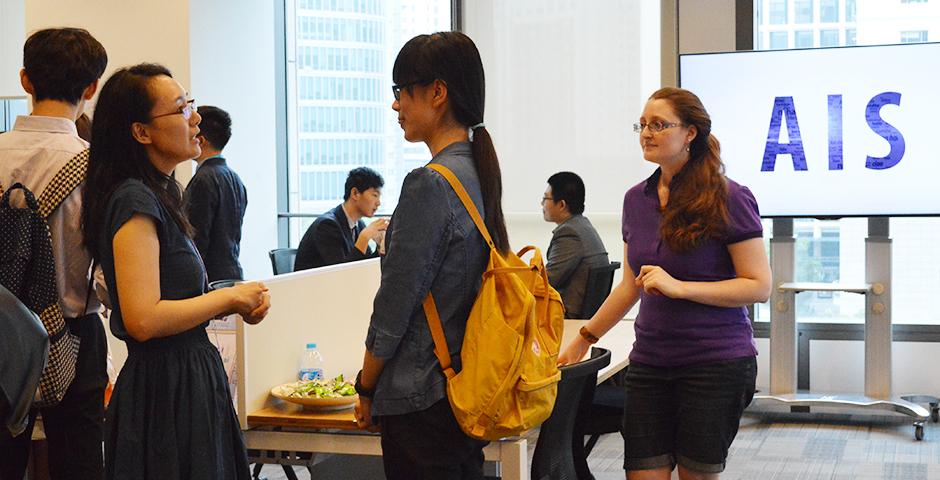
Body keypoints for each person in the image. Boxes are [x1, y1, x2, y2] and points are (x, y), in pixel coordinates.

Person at [558, 87, 772, 480]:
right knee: (642, 473)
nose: (647, 133)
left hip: (715, 363)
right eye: (643, 125)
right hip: (651, 363)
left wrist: (681, 287)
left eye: (659, 125)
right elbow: (629, 287)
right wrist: (582, 340)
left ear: (690, 133)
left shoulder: (729, 197)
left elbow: (759, 285)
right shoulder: (635, 200)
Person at [80, 63, 270, 480]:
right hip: (164, 390)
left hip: (187, 379)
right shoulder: (134, 199)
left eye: (191, 104)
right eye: (182, 108)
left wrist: (230, 304)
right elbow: (143, 318)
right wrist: (230, 297)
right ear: (141, 132)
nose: (195, 117)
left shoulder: (163, 191)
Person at [353, 32, 509, 480]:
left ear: (437, 93)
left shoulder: (431, 182)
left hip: (422, 398)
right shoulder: (477, 172)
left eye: (400, 91)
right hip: (462, 388)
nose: (396, 105)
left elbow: (395, 305)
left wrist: (365, 385)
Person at [0, 27, 108, 480]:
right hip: (73, 335)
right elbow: (104, 279)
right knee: (78, 464)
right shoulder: (96, 165)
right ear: (91, 88)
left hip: (0, 335)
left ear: (25, 80)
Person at [183, 105, 248, 282]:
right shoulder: (235, 178)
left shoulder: (203, 179)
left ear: (201, 141)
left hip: (210, 278)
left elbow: (197, 239)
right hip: (233, 274)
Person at [541, 171, 610, 318]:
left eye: (545, 199)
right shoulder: (582, 225)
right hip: (582, 313)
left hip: (565, 314)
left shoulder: (570, 233)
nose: (542, 204)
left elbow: (548, 281)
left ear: (561, 204)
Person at [293, 166, 388, 271]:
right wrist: (364, 237)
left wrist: (379, 248)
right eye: (375, 195)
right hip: (312, 286)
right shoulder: (327, 225)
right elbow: (342, 273)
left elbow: (363, 266)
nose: (378, 203)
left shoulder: (359, 224)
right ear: (355, 193)